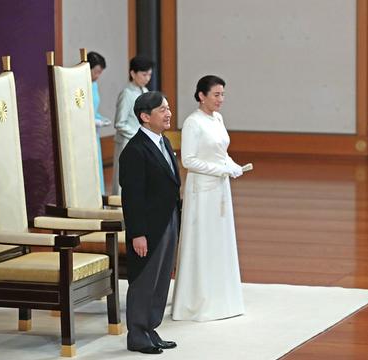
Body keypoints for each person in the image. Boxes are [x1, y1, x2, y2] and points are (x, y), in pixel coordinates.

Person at [172, 75, 245, 321]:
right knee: (202, 239)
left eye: (223, 94)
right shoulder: (193, 122)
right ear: (202, 96)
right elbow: (188, 160)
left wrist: (233, 165)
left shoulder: (218, 118)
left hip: (220, 187)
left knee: (219, 239)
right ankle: (198, 301)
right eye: (216, 94)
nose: (220, 99)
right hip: (202, 188)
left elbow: (220, 152)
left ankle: (223, 297)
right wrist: (222, 170)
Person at [119, 91, 181, 354]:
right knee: (144, 279)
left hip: (168, 220)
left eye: (168, 108)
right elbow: (131, 197)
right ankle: (137, 333)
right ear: (145, 117)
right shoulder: (134, 150)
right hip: (148, 227)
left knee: (161, 278)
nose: (168, 113)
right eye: (162, 110)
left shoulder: (164, 143)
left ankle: (150, 327)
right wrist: (137, 233)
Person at [112, 55, 154, 195]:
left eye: (149, 74)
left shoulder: (145, 92)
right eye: (144, 74)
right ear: (132, 73)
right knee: (125, 178)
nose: (147, 78)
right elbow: (119, 123)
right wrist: (138, 135)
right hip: (127, 142)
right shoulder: (126, 94)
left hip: (142, 142)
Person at [88, 51, 110, 195]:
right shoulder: (78, 86)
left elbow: (93, 108)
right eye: (96, 72)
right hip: (85, 131)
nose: (97, 76)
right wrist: (94, 120)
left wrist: (101, 118)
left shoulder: (94, 85)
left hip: (94, 130)